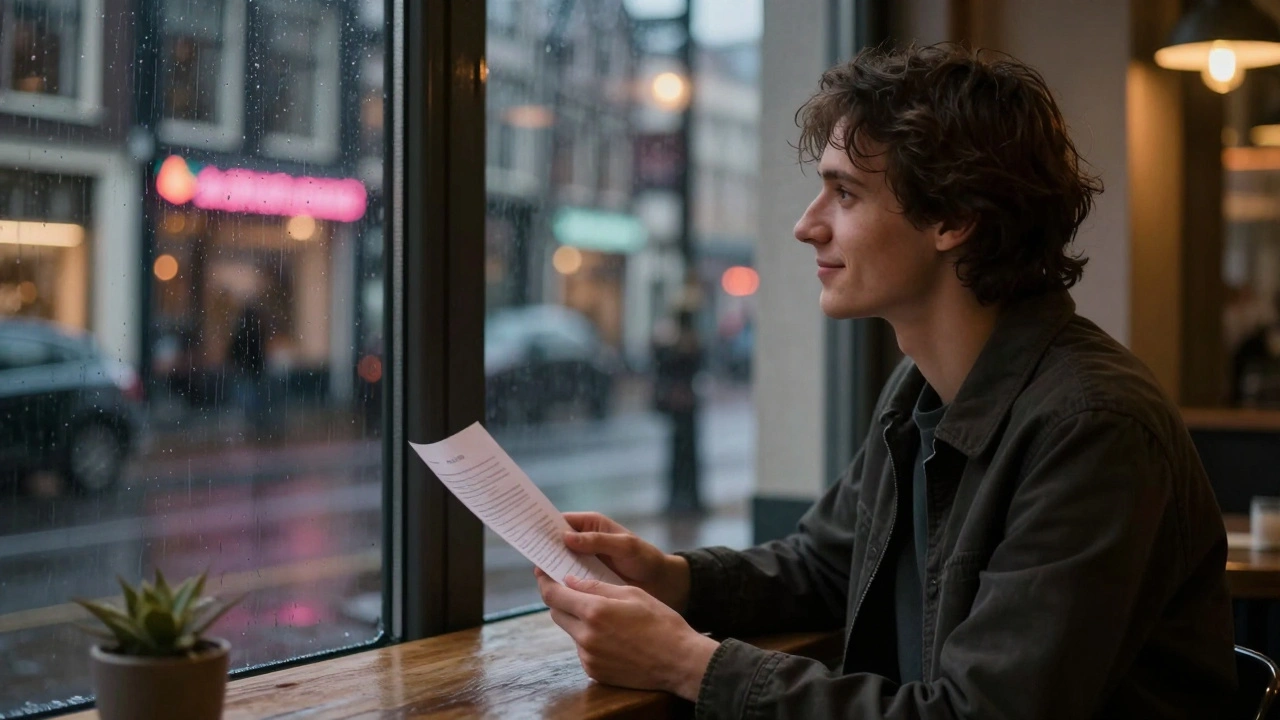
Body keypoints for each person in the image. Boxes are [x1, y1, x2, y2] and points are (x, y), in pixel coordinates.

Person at [535, 43, 1237, 718]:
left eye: (845, 193)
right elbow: (825, 564)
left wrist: (687, 664)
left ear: (955, 217)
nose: (807, 226)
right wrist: (672, 578)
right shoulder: (921, 388)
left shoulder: (1093, 427)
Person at [652, 305, 705, 514]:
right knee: (686, 454)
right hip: (686, 406)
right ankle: (687, 498)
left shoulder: (676, 345)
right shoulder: (690, 344)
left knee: (679, 454)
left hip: (681, 406)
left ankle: (680, 498)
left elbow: (663, 365)